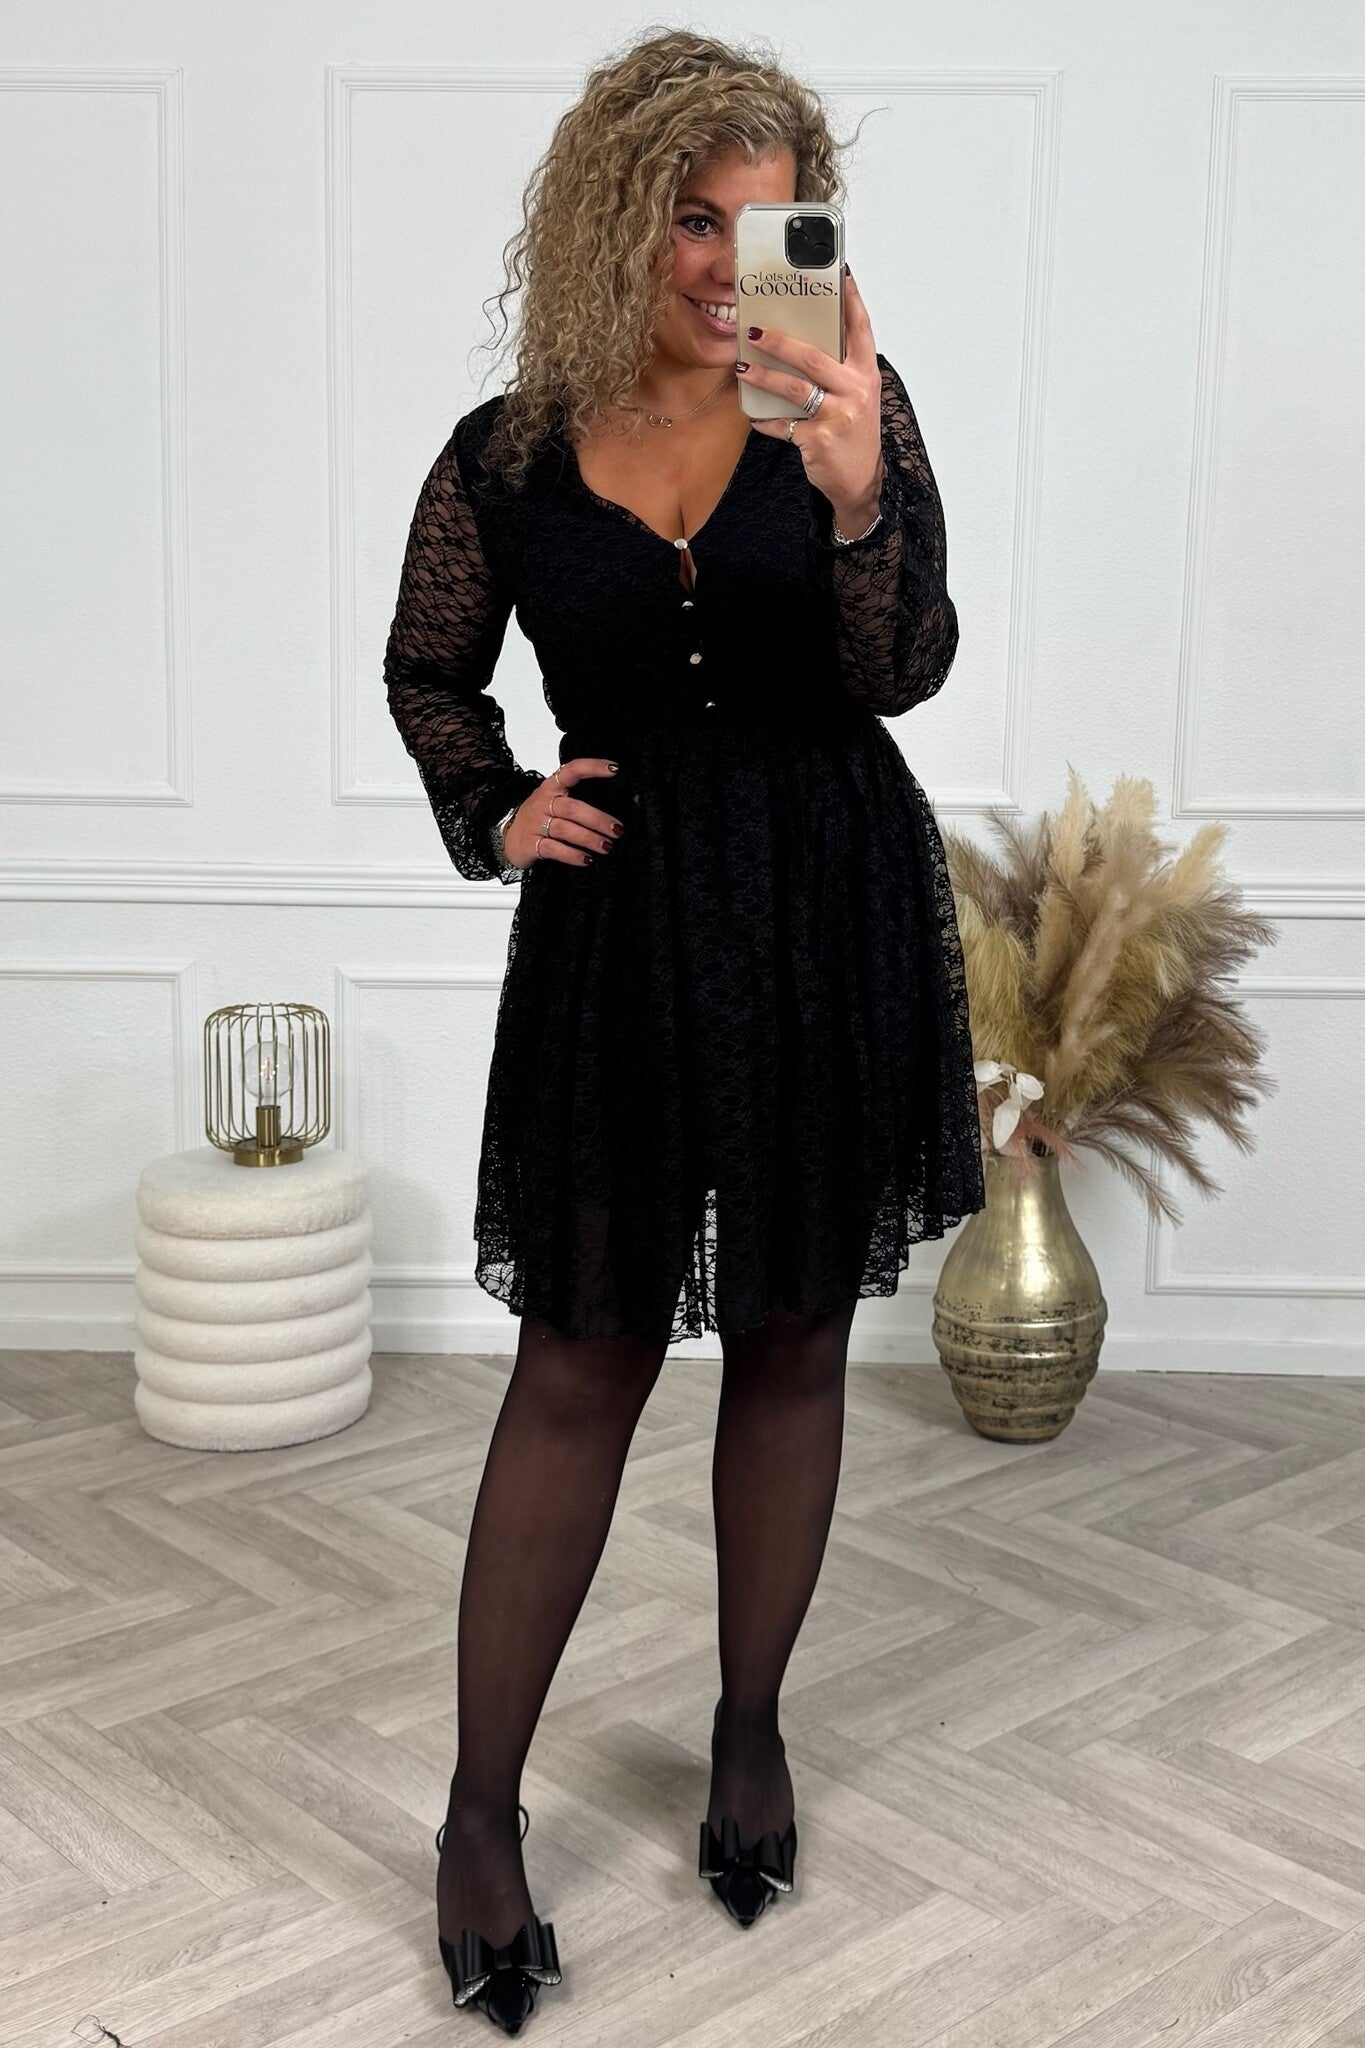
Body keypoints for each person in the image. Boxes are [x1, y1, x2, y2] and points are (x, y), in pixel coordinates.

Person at [382, 27, 985, 2035]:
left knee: (794, 1329)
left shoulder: (844, 406)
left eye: (772, 224)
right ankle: (479, 1815)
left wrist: (858, 495)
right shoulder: (505, 455)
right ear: (613, 218)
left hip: (822, 907)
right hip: (624, 936)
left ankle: (746, 1727)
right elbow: (429, 669)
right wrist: (495, 808)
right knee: (580, 1356)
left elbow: (900, 668)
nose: (734, 266)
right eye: (694, 221)